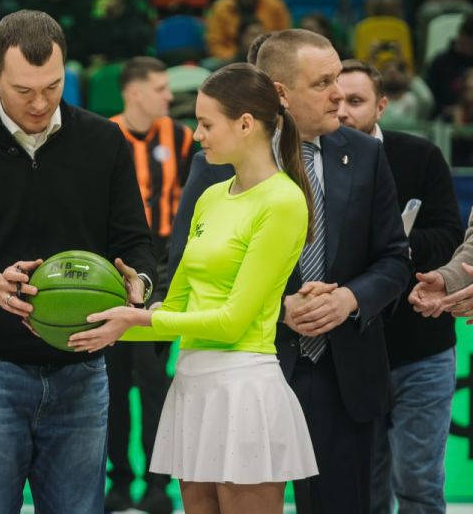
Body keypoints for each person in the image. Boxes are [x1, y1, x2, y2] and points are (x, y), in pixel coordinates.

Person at [0, 9, 157, 512]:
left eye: (53, 86)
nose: (41, 103)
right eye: (24, 90)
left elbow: (136, 244)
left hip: (82, 370)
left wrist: (141, 286)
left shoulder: (104, 141)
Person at [168, 29, 412, 513]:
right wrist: (277, 309)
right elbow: (184, 268)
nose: (339, 94)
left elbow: (393, 257)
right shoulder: (215, 164)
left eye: (338, 78)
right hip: (249, 371)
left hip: (343, 375)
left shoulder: (366, 154)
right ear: (280, 93)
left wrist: (349, 299)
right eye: (323, 83)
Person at [70, 62, 319, 513]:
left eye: (206, 124)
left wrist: (137, 319)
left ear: (245, 124)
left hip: (243, 387)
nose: (197, 135)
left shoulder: (283, 201)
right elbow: (176, 307)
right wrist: (103, 324)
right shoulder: (209, 196)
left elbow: (232, 322)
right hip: (191, 384)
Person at [335, 59, 463, 514]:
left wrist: (396, 244)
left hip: (422, 347)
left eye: (356, 101)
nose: (344, 111)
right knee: (364, 488)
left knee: (418, 482)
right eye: (336, 100)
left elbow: (450, 236)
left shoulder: (418, 155)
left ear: (382, 105)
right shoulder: (312, 162)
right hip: (351, 349)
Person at [103, 57, 192, 514]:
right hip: (113, 268)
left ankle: (158, 482)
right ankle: (118, 479)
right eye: (160, 88)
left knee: (156, 381)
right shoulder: (103, 136)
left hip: (163, 268)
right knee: (113, 384)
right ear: (133, 92)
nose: (169, 96)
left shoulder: (182, 138)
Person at [205, 0, 291, 64]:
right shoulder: (220, 8)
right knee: (209, 64)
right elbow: (214, 42)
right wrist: (233, 59)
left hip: (267, 59)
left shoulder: (276, 6)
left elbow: (284, 39)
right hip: (230, 59)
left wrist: (266, 57)